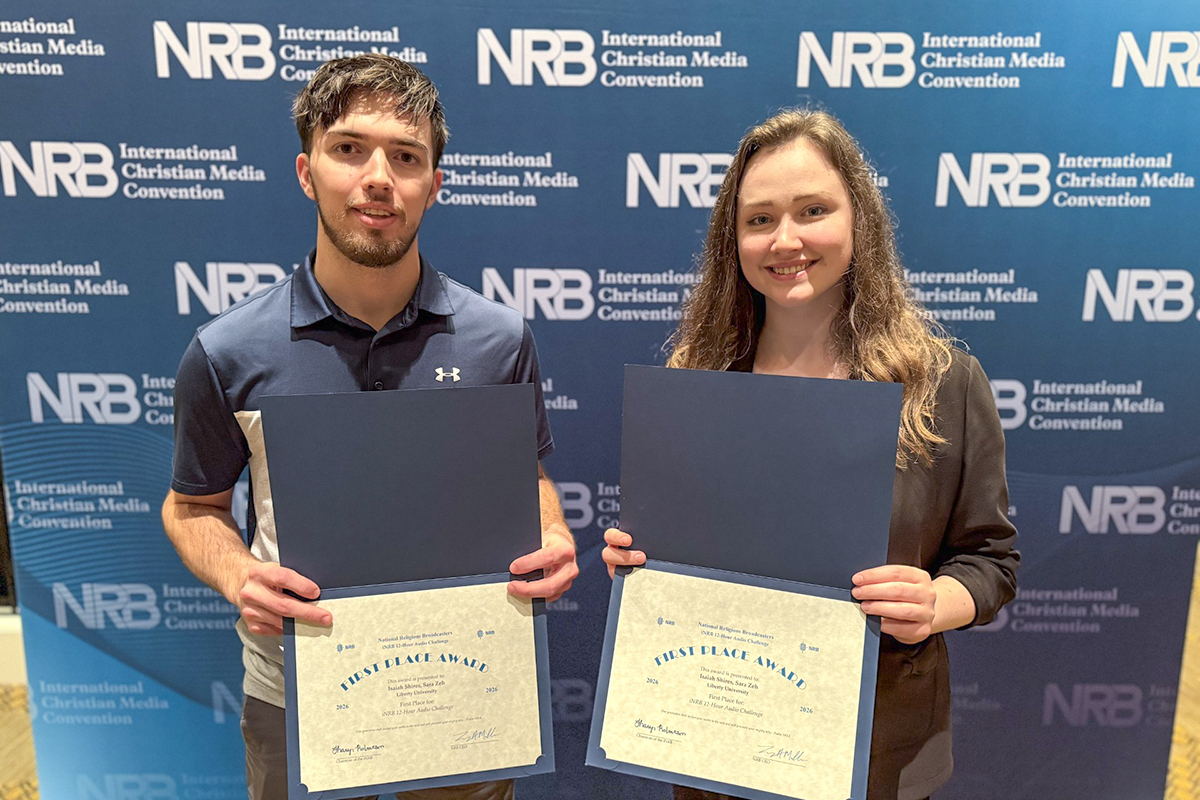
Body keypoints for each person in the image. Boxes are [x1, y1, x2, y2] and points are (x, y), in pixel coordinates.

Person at [161, 54, 578, 800]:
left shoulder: (499, 339)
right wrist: (238, 574)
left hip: (464, 682)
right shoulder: (227, 351)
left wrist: (549, 529)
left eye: (406, 157)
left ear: (434, 185)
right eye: (349, 148)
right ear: (307, 171)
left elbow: (527, 479)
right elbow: (192, 507)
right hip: (296, 687)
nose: (378, 177)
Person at [602, 109, 1018, 800]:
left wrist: (936, 602)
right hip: (716, 740)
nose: (785, 239)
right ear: (732, 238)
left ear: (859, 219)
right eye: (760, 219)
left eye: (813, 210)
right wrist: (641, 564)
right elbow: (677, 561)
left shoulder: (944, 383)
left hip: (875, 752)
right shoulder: (698, 380)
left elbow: (991, 561)